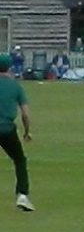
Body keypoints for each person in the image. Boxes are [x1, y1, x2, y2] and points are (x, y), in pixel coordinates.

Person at [0, 53, 35, 211]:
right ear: (9, 67)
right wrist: (27, 132)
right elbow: (25, 114)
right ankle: (22, 195)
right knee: (19, 160)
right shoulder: (15, 86)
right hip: (7, 129)